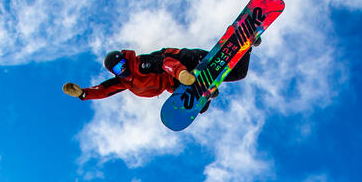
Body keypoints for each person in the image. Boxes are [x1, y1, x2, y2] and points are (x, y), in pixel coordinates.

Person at [62, 47, 253, 112]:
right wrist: (82, 93)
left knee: (235, 74)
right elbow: (103, 90)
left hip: (183, 61)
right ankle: (247, 47)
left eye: (123, 65)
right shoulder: (123, 82)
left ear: (125, 61)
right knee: (237, 75)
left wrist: (181, 73)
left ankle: (199, 74)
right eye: (118, 70)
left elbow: (164, 63)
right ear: (114, 72)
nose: (123, 71)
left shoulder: (140, 64)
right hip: (176, 82)